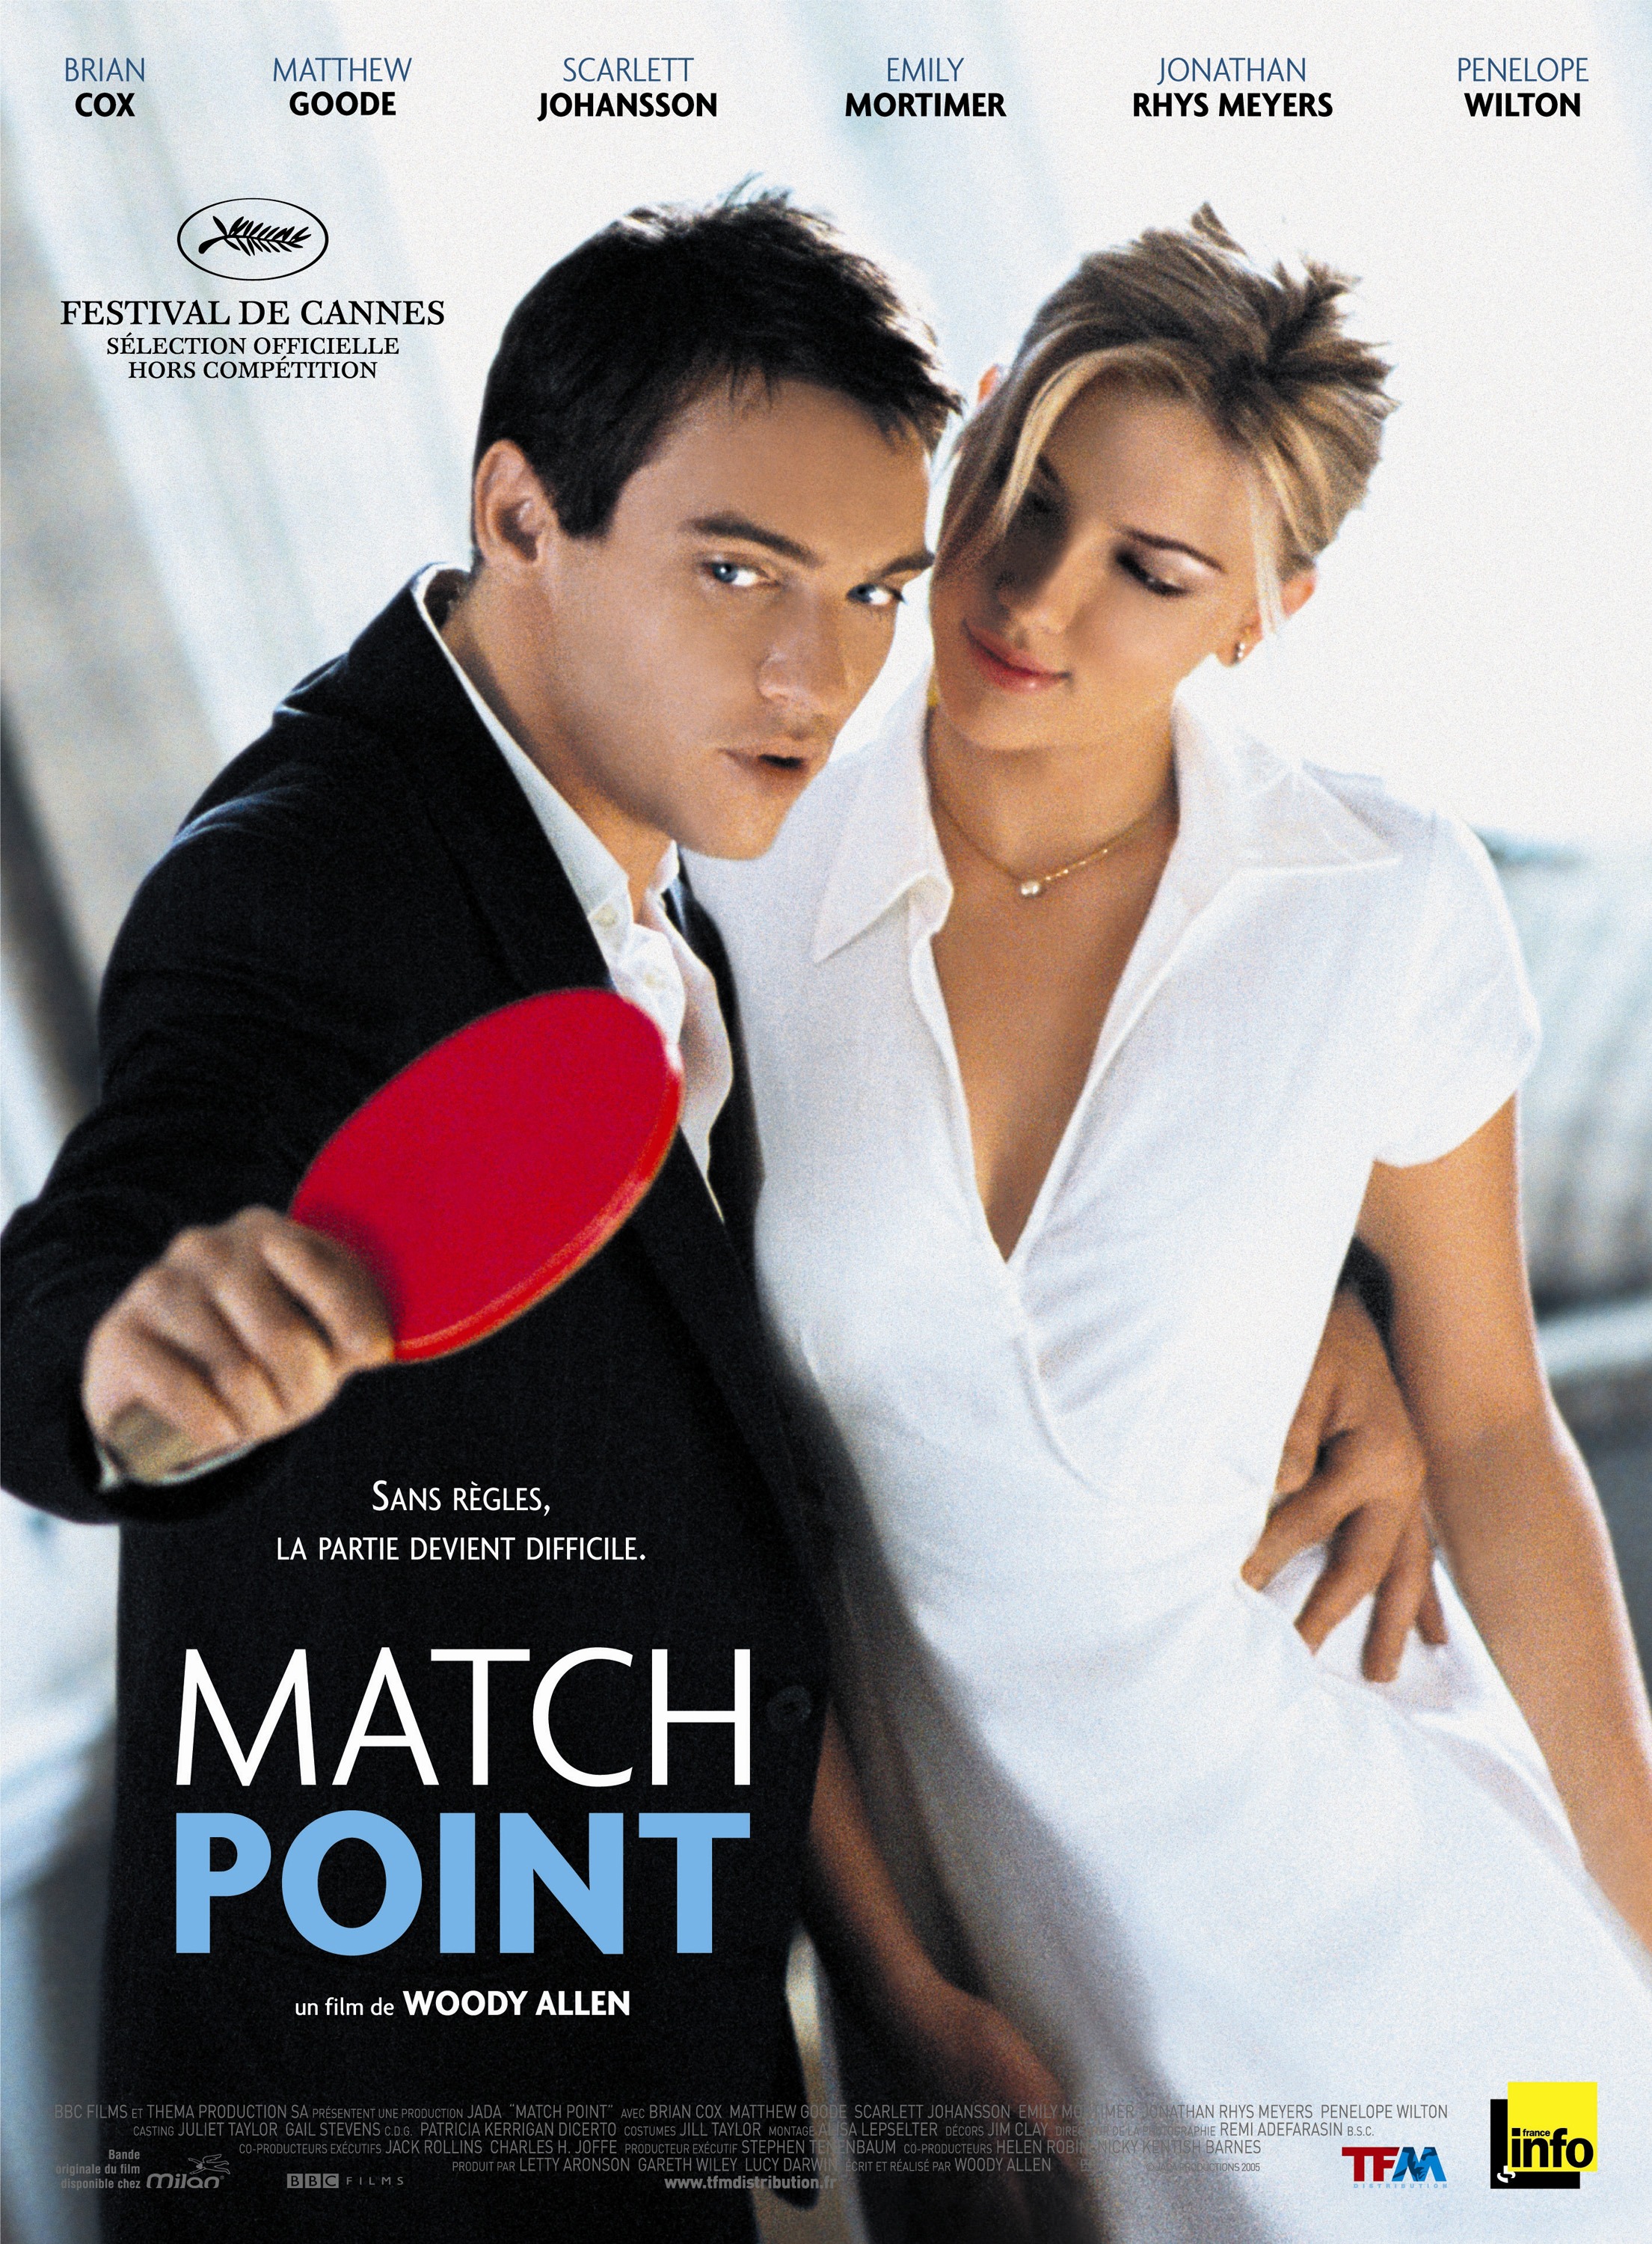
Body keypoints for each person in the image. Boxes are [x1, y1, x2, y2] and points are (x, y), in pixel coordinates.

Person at [4, 194, 1432, 2240]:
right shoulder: (305, 880)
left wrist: (1330, 1299)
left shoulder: (677, 843)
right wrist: (119, 1347)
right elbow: (113, 1228)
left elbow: (790, 1367)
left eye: (871, 591)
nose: (814, 672)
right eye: (737, 571)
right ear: (522, 515)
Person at [690, 209, 1652, 2240]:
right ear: (962, 444)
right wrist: (890, 1986)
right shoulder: (743, 870)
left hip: (1427, 1998)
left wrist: (1643, 1923)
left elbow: (1495, 1431)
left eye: (1153, 569)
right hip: (1019, 2003)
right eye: (1025, 493)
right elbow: (726, 1483)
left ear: (1267, 613)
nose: (1033, 596)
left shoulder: (1381, 899)